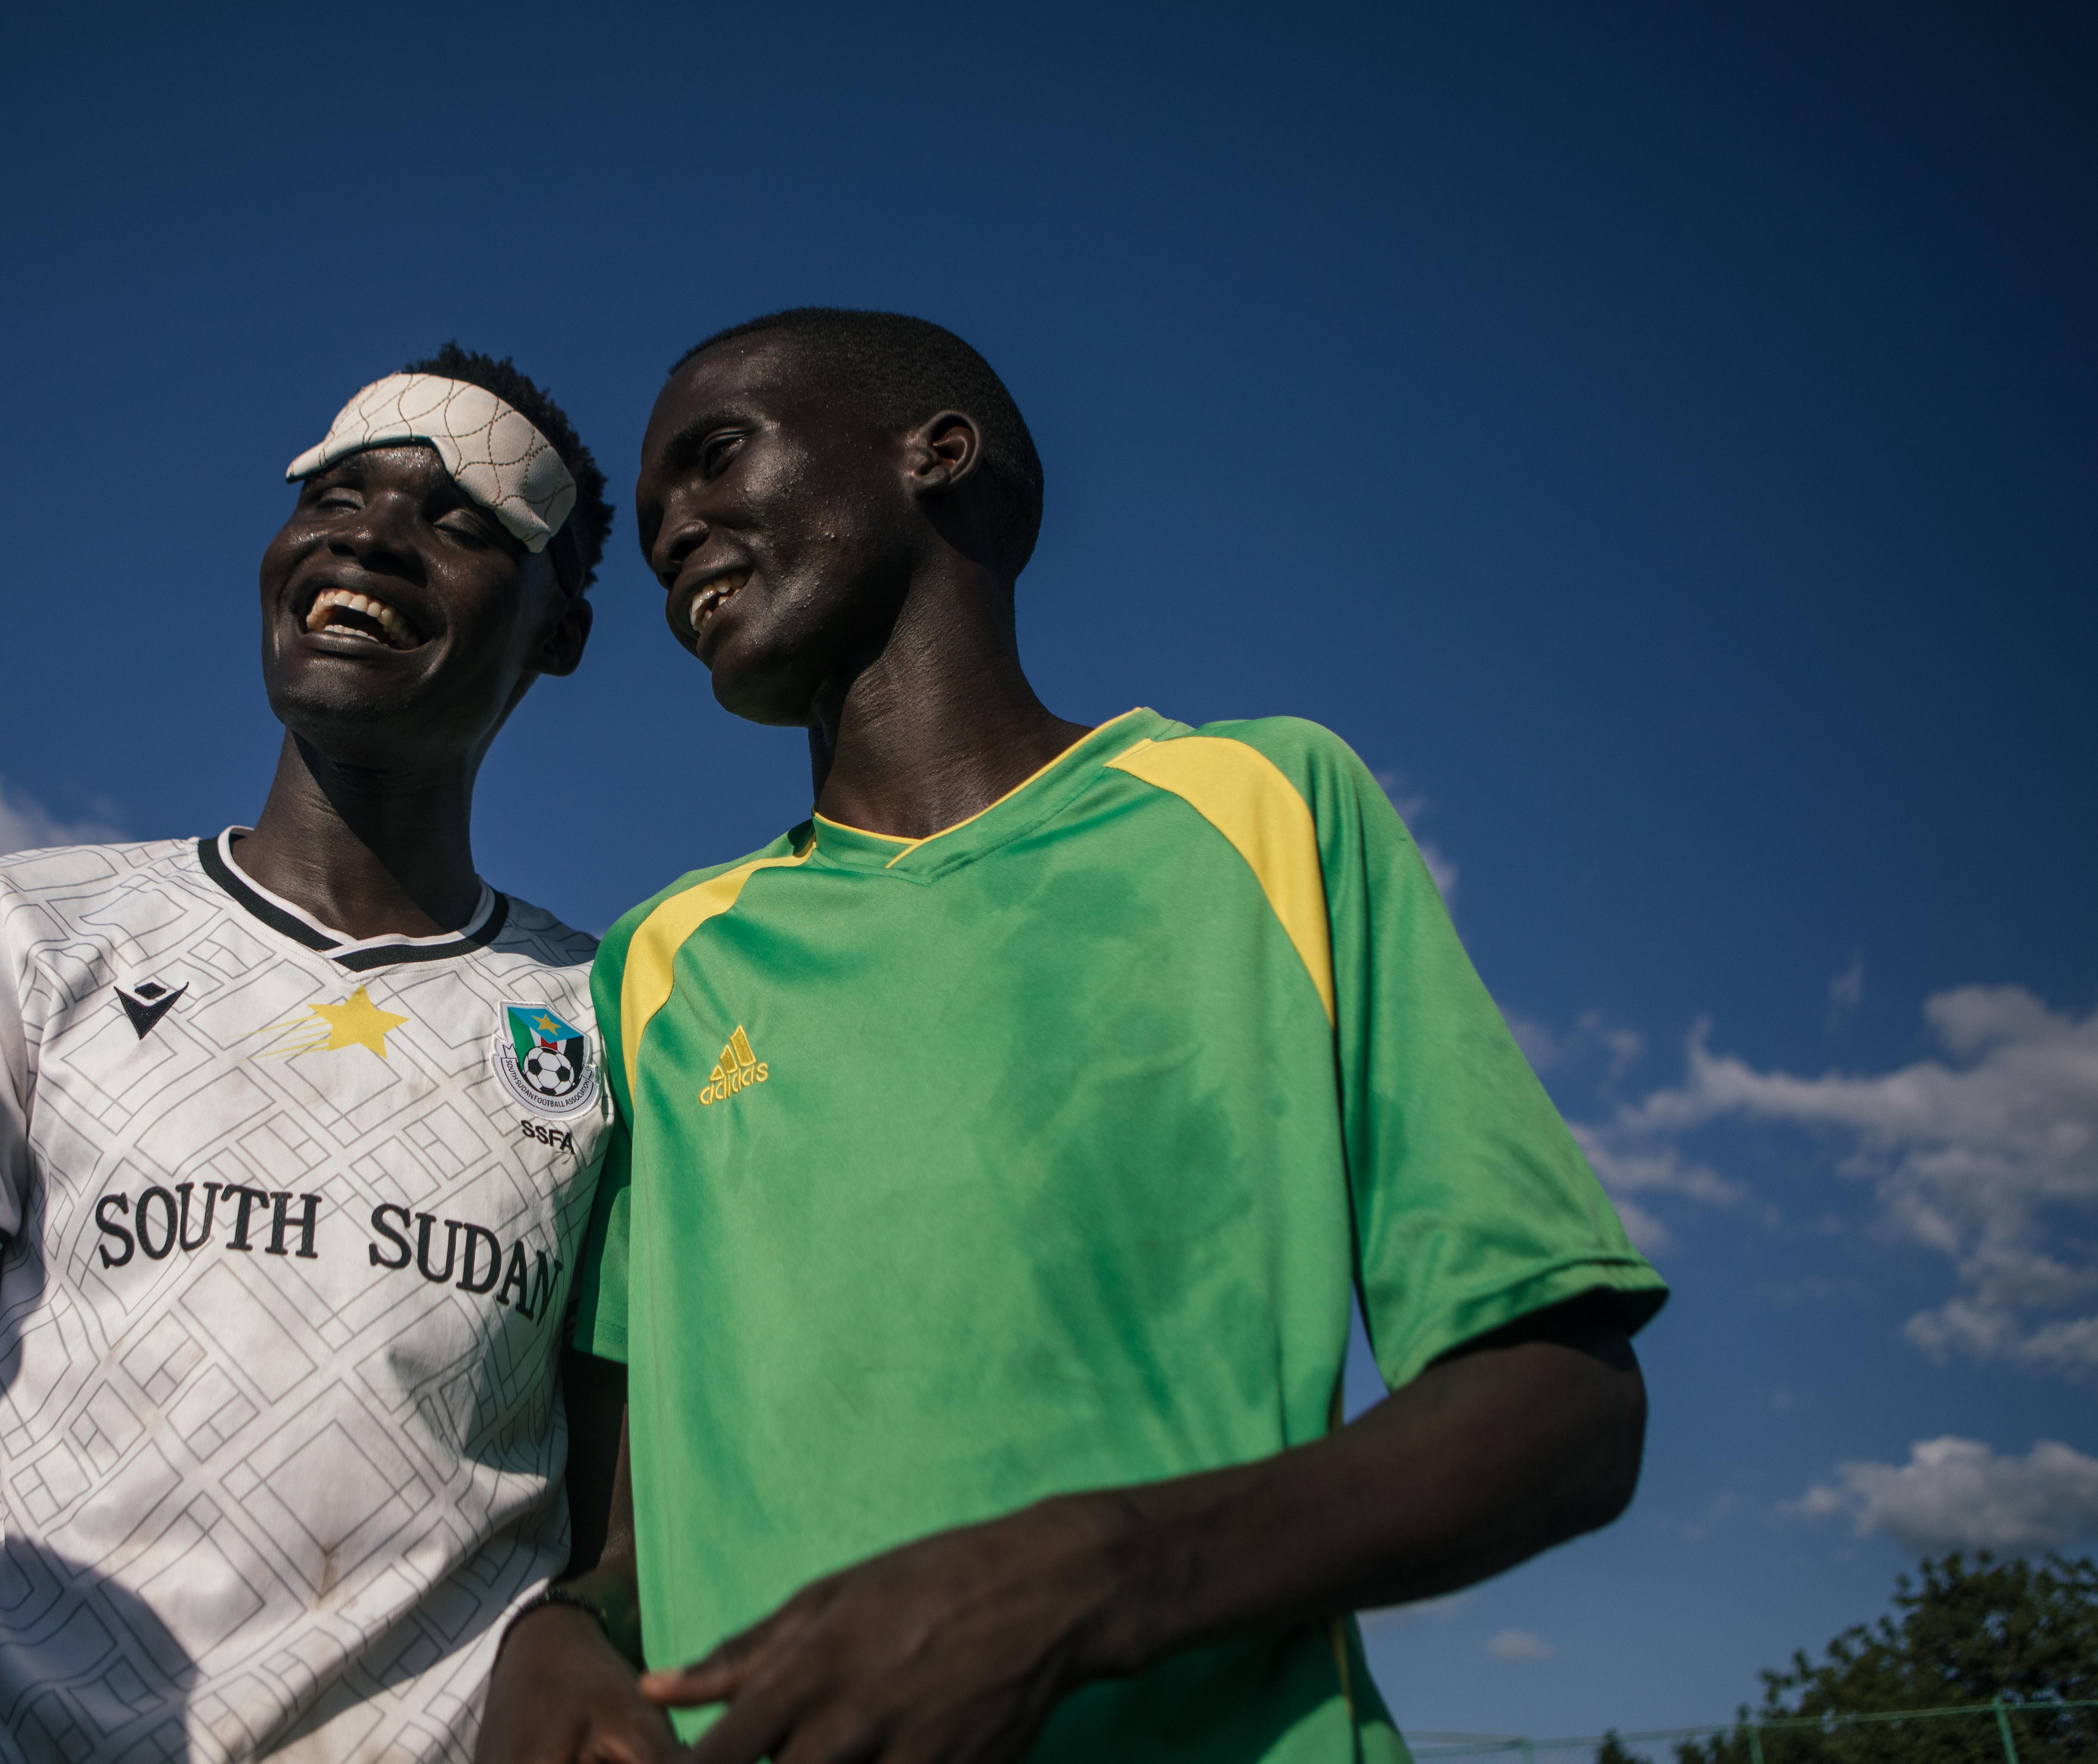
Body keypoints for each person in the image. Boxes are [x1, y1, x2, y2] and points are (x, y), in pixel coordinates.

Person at [478, 309, 1667, 1764]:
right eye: (655, 508)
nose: (672, 527)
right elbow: (638, 1547)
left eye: (715, 458)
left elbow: (1563, 1404)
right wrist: (559, 1636)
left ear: (939, 455)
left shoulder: (1265, 810)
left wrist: (1097, 1579)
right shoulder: (661, 968)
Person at [0, 346, 630, 1764]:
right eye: (337, 493)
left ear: (560, 632)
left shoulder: (606, 1017)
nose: (370, 536)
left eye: (462, 521)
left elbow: (611, 1548)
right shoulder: (24, 933)